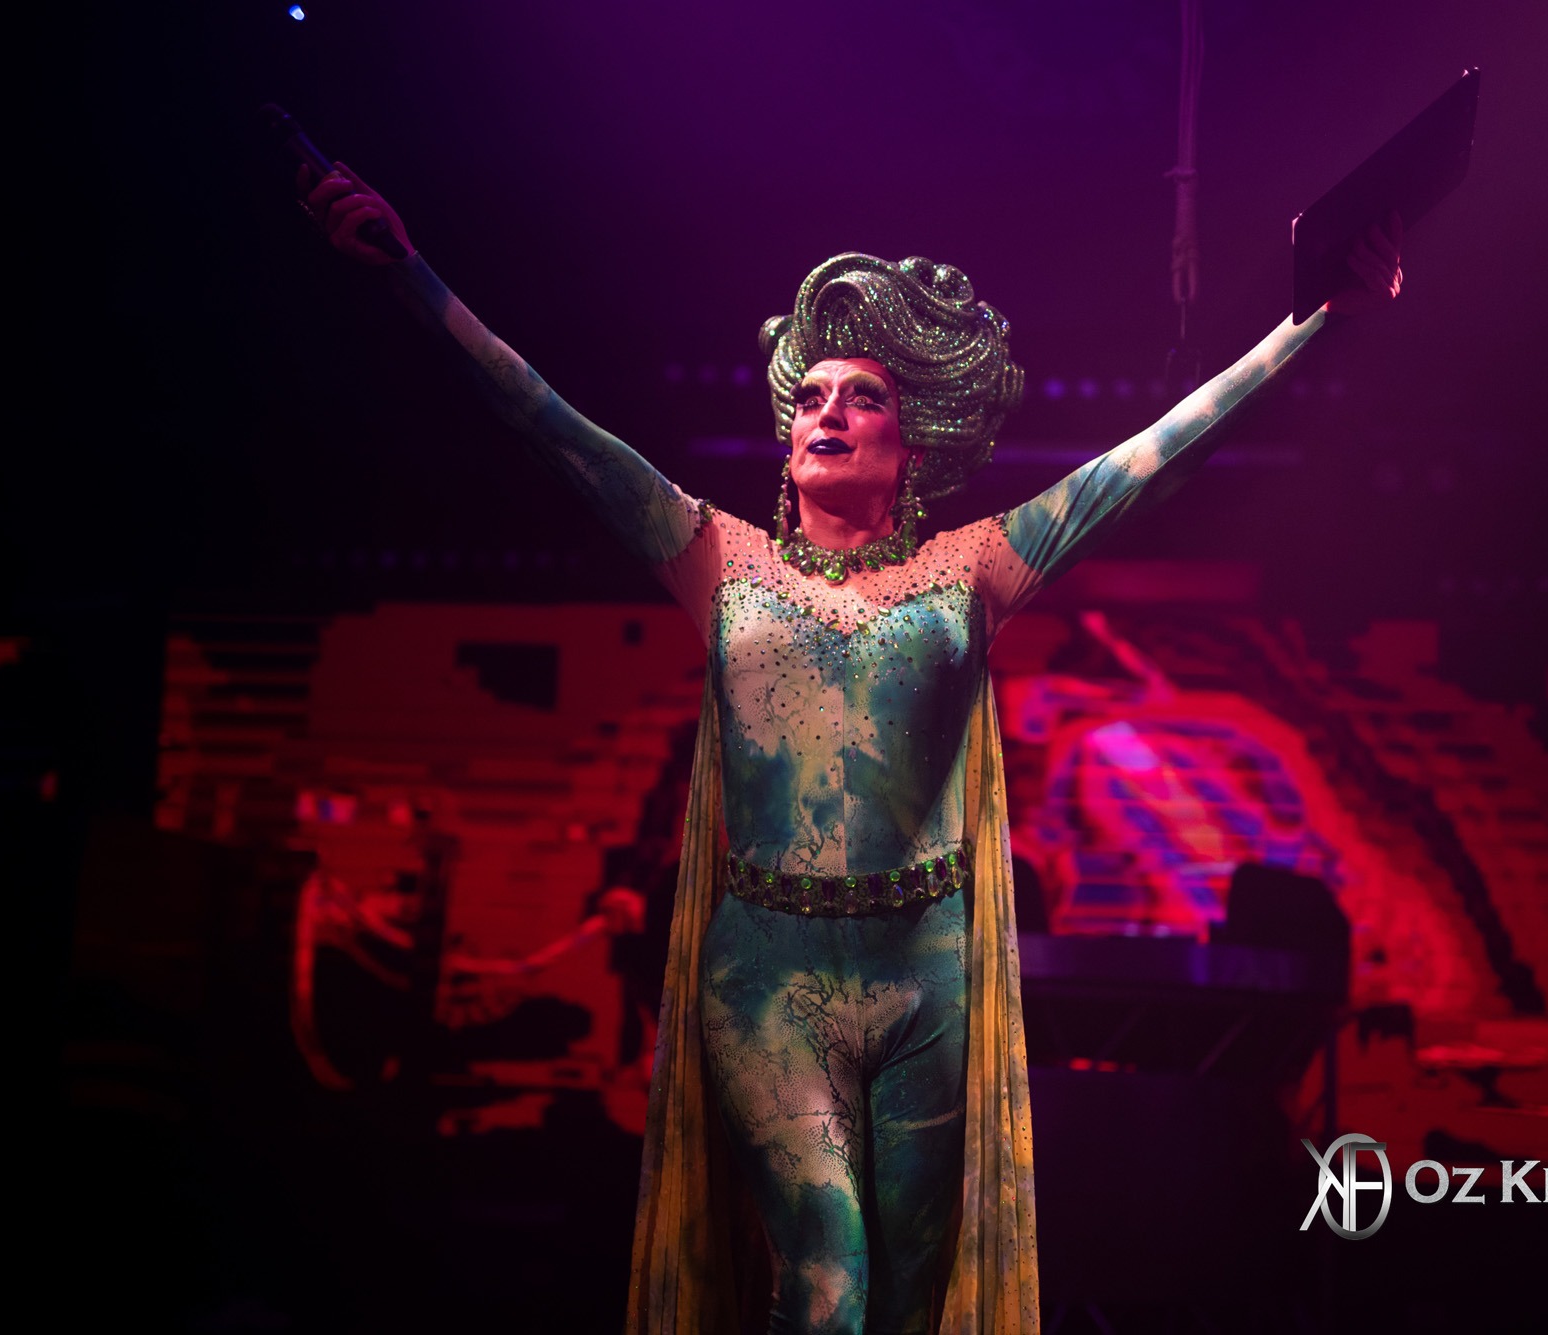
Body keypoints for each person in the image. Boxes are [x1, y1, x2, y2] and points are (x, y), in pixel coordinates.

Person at [299, 160, 1399, 1334]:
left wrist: (1312, 323)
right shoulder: (716, 560)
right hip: (766, 983)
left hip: (924, 979)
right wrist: (410, 275)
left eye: (859, 396)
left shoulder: (972, 570)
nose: (826, 411)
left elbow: (1156, 454)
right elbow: (545, 421)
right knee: (825, 1282)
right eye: (809, 397)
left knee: (909, 1304)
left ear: (908, 442)